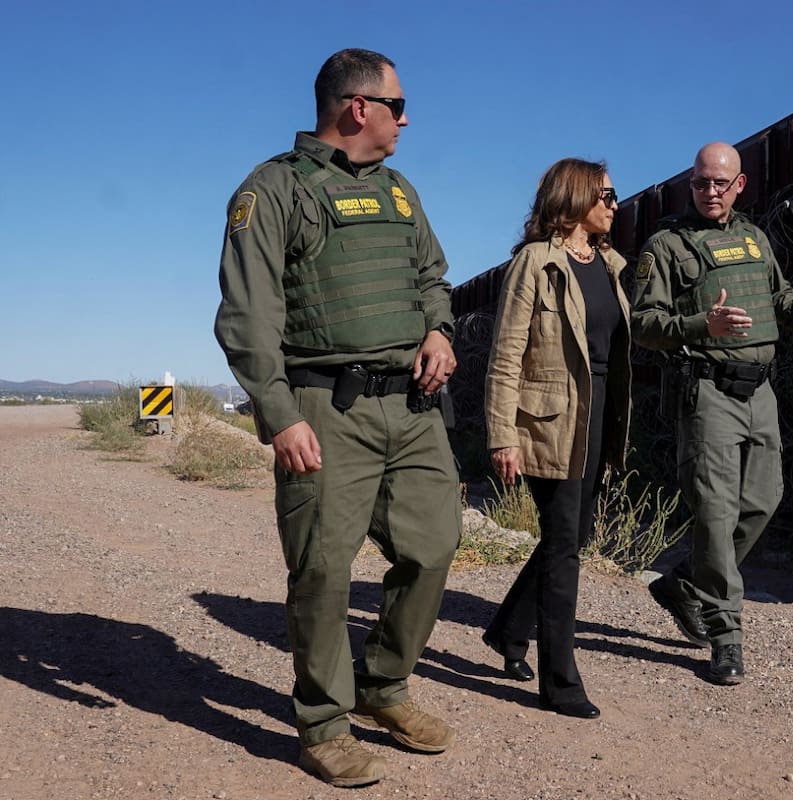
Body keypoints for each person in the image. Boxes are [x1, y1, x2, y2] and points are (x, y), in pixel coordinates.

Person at [214, 48, 460, 788]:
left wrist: (439, 329)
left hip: (412, 407)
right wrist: (279, 414)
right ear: (359, 107)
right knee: (322, 568)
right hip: (325, 407)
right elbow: (248, 314)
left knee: (434, 546)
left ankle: (383, 685)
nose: (405, 120)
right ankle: (323, 723)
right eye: (397, 105)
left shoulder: (400, 191)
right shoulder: (273, 190)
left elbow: (432, 276)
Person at [630, 142, 793, 686]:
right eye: (701, 182)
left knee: (763, 500)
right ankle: (726, 635)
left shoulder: (755, 238)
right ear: (691, 184)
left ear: (739, 185)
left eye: (720, 183)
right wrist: (703, 324)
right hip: (708, 392)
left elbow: (781, 302)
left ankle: (685, 583)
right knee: (716, 513)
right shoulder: (667, 244)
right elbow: (643, 324)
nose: (710, 192)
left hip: (760, 392)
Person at [481, 158, 632, 720]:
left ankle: (507, 631)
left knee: (572, 534)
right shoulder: (535, 263)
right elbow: (505, 356)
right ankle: (560, 683)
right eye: (606, 195)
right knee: (565, 543)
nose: (614, 205)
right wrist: (502, 436)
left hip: (598, 416)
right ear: (575, 198)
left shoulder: (611, 265)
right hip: (548, 422)